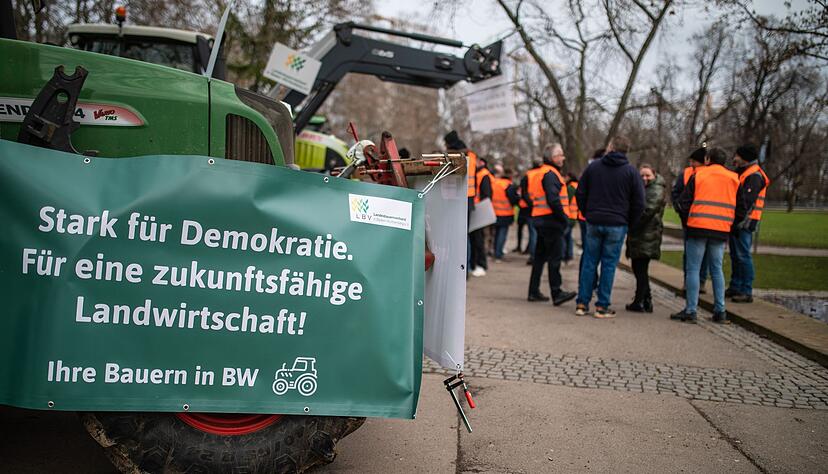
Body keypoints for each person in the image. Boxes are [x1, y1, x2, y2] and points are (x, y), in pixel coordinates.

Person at [574, 136, 645, 318]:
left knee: (589, 262)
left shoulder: (594, 167)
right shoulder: (631, 172)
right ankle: (602, 305)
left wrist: (587, 212)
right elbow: (639, 202)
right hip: (617, 223)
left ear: (611, 147)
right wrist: (629, 221)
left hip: (594, 220)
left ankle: (582, 303)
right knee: (609, 265)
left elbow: (580, 192)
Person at [671, 147, 739, 324]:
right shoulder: (734, 178)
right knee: (716, 269)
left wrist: (686, 218)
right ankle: (720, 311)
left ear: (708, 159)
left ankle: (691, 310)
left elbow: (683, 203)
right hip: (721, 228)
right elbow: (741, 206)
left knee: (693, 269)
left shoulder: (699, 175)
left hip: (698, 227)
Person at [523, 143, 577, 305]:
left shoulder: (542, 172)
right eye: (560, 154)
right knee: (555, 257)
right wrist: (564, 218)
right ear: (553, 157)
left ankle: (533, 291)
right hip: (551, 222)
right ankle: (557, 292)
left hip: (541, 219)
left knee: (539, 258)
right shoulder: (551, 174)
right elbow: (553, 199)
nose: (563, 158)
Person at [727, 144, 770, 303]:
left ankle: (746, 290)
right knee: (736, 255)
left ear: (744, 157)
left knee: (742, 255)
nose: (734, 158)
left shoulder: (754, 176)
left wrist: (737, 220)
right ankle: (736, 286)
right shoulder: (745, 173)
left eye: (737, 156)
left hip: (745, 222)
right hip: (739, 220)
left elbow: (746, 202)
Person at [625, 163, 666, 313]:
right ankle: (646, 300)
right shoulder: (643, 188)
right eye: (641, 175)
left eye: (648, 175)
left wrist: (631, 223)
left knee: (640, 268)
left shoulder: (656, 189)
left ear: (654, 175)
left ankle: (639, 300)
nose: (644, 178)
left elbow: (647, 211)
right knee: (638, 268)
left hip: (647, 235)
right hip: (640, 235)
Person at [671, 147, 710, 294]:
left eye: (694, 161)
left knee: (703, 253)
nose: (691, 164)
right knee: (689, 253)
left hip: (704, 220)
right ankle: (689, 282)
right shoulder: (686, 173)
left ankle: (700, 282)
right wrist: (679, 208)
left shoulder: (708, 175)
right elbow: (676, 193)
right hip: (688, 219)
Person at [444, 130, 477, 278]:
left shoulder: (454, 156)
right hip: (469, 198)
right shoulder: (472, 155)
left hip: (455, 199)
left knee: (456, 235)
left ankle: (458, 269)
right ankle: (466, 269)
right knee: (465, 235)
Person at [469, 156, 493, 276]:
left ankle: (481, 264)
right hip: (475, 209)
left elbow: (486, 195)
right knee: (474, 239)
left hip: (479, 210)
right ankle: (474, 264)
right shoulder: (479, 173)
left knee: (478, 239)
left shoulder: (484, 175)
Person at [492, 168, 518, 261]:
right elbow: (513, 200)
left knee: (496, 234)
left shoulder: (496, 183)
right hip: (505, 213)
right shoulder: (509, 185)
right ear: (510, 175)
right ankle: (498, 254)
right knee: (502, 234)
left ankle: (496, 252)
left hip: (495, 212)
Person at [519, 162, 541, 265]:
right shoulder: (543, 174)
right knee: (538, 233)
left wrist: (531, 204)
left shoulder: (528, 175)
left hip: (529, 208)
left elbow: (523, 193)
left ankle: (533, 256)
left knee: (533, 232)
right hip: (542, 207)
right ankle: (538, 256)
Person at [562, 173, 578, 264]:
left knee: (563, 236)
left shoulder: (570, 188)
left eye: (566, 177)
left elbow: (566, 201)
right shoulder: (576, 186)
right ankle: (570, 254)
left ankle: (564, 256)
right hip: (574, 215)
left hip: (568, 215)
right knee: (568, 236)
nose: (565, 178)